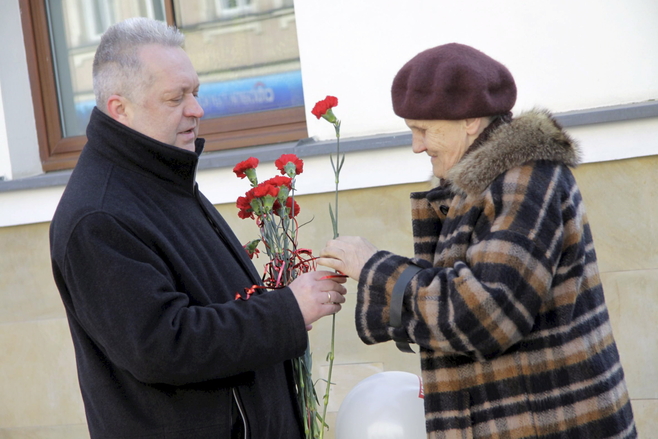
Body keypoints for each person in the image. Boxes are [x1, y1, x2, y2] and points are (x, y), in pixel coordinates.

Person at [319, 43, 636, 438]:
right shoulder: (489, 180)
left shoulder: (526, 178)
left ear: (469, 121)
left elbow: (485, 316)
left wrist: (375, 268)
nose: (416, 146)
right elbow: (469, 290)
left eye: (423, 130)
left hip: (554, 424)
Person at [50, 17, 346, 439]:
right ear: (120, 109)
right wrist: (287, 311)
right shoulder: (99, 216)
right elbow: (162, 345)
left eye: (196, 93)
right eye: (176, 98)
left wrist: (282, 311)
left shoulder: (162, 177)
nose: (197, 110)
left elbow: (214, 302)